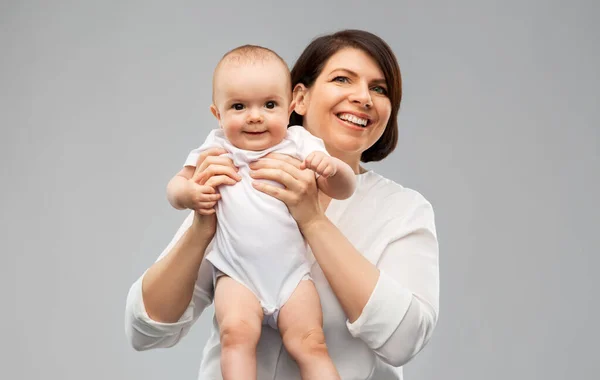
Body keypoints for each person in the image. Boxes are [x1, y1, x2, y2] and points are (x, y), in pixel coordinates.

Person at [125, 29, 440, 380]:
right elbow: (146, 329)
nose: (363, 97)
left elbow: (406, 339)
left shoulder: (403, 210)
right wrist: (202, 228)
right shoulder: (238, 173)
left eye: (379, 89)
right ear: (299, 99)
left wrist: (313, 220)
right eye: (342, 79)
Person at [166, 44, 355, 380]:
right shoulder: (216, 147)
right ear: (218, 114)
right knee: (235, 337)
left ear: (291, 105)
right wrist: (191, 193)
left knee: (311, 343)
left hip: (292, 276)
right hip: (237, 274)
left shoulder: (299, 144)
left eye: (270, 105)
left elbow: (344, 189)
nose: (255, 116)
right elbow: (175, 188)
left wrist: (331, 168)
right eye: (239, 106)